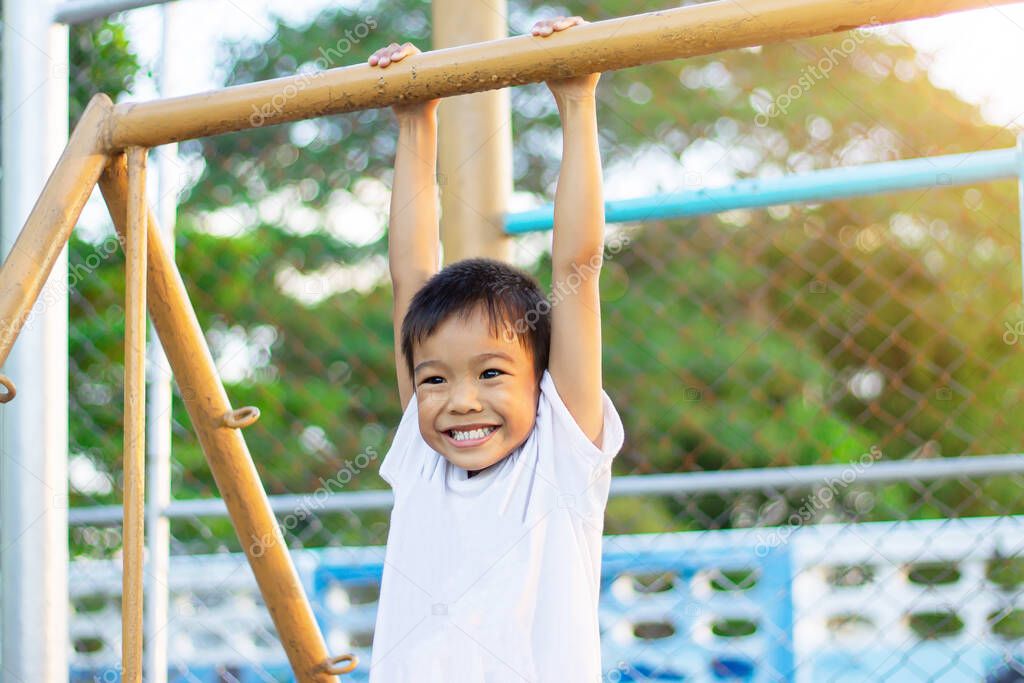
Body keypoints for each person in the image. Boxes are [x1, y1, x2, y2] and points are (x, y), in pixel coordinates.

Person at [366, 16, 625, 682]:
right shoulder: (424, 461)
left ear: (539, 379)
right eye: (434, 380)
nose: (460, 401)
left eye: (489, 372)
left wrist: (576, 97)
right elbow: (410, 275)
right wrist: (414, 118)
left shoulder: (559, 456)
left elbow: (579, 265)